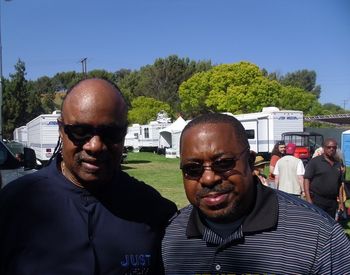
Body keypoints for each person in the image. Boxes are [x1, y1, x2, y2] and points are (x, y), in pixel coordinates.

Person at [0, 78, 177, 274]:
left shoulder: (154, 210)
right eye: (80, 131)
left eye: (110, 133)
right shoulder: (14, 204)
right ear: (61, 130)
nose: (95, 146)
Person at [162, 113, 350, 275]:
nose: (208, 178)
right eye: (192, 169)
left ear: (251, 162)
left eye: (224, 163)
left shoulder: (319, 235)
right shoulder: (169, 235)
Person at [304, 138, 344, 219]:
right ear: (323, 148)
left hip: (332, 201)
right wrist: (308, 199)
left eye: (334, 147)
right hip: (317, 200)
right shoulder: (314, 162)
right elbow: (306, 179)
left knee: (329, 224)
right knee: (317, 223)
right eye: (329, 147)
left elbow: (340, 184)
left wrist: (341, 202)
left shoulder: (338, 164)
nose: (331, 149)